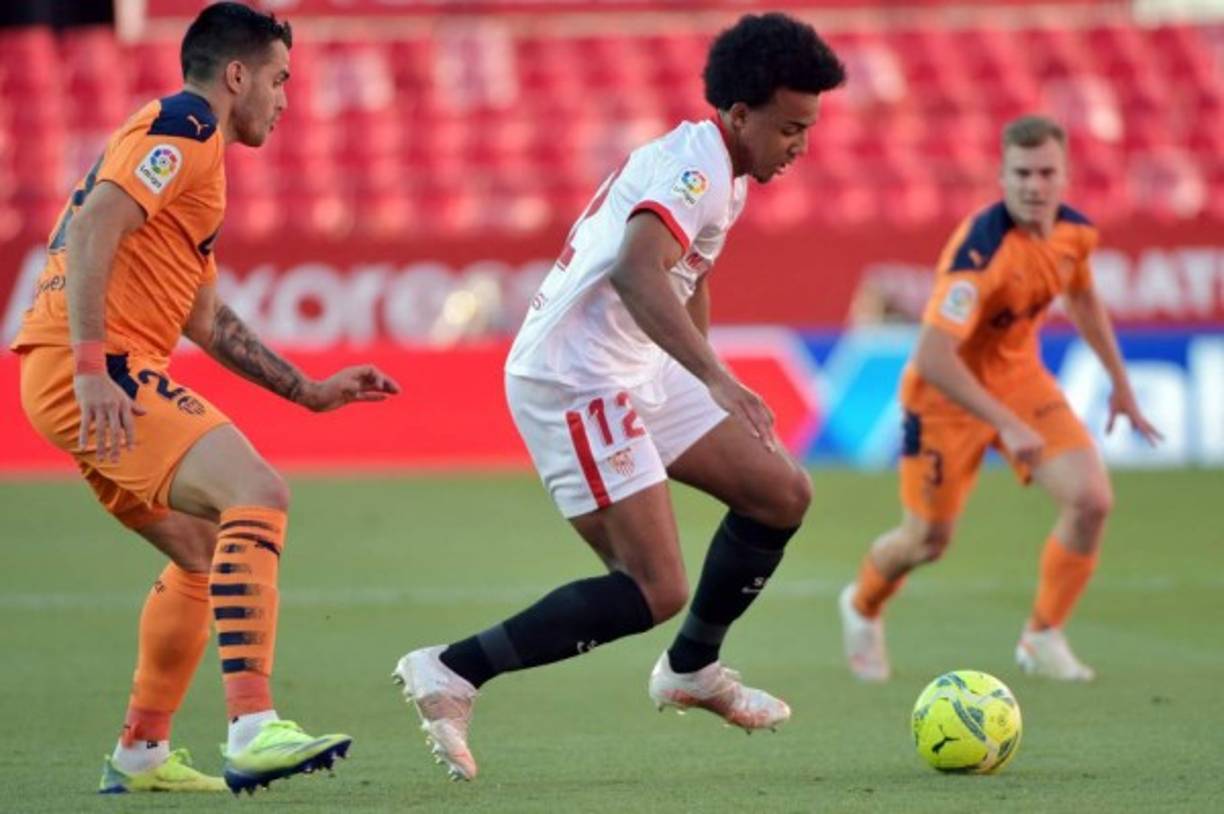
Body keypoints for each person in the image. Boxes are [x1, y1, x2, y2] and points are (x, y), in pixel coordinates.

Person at [391, 12, 845, 781]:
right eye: (791, 127)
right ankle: (452, 670)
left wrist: (707, 376)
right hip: (577, 377)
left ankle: (693, 669)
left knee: (780, 491)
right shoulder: (695, 170)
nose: (801, 144)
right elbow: (639, 271)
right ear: (741, 115)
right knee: (652, 587)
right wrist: (714, 377)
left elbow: (683, 275)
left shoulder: (720, 171)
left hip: (634, 365)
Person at [12, 2, 399, 794]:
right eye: (279, 79)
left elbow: (209, 321)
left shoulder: (199, 166)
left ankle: (142, 751)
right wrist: (92, 367)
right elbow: (92, 229)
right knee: (256, 493)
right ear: (236, 76)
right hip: (91, 366)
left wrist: (311, 394)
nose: (286, 99)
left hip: (80, 369)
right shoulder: (185, 124)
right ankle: (254, 727)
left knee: (200, 552)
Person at [838, 115, 1162, 684]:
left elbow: (1083, 297)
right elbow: (934, 356)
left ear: (1065, 176)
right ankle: (862, 605)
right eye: (1022, 174)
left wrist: (1122, 382)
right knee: (927, 541)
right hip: (944, 398)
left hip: (1018, 380)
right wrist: (1005, 424)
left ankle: (1042, 636)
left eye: (1045, 173)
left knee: (1091, 501)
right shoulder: (979, 256)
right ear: (1001, 176)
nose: (1034, 185)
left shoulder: (1074, 235)